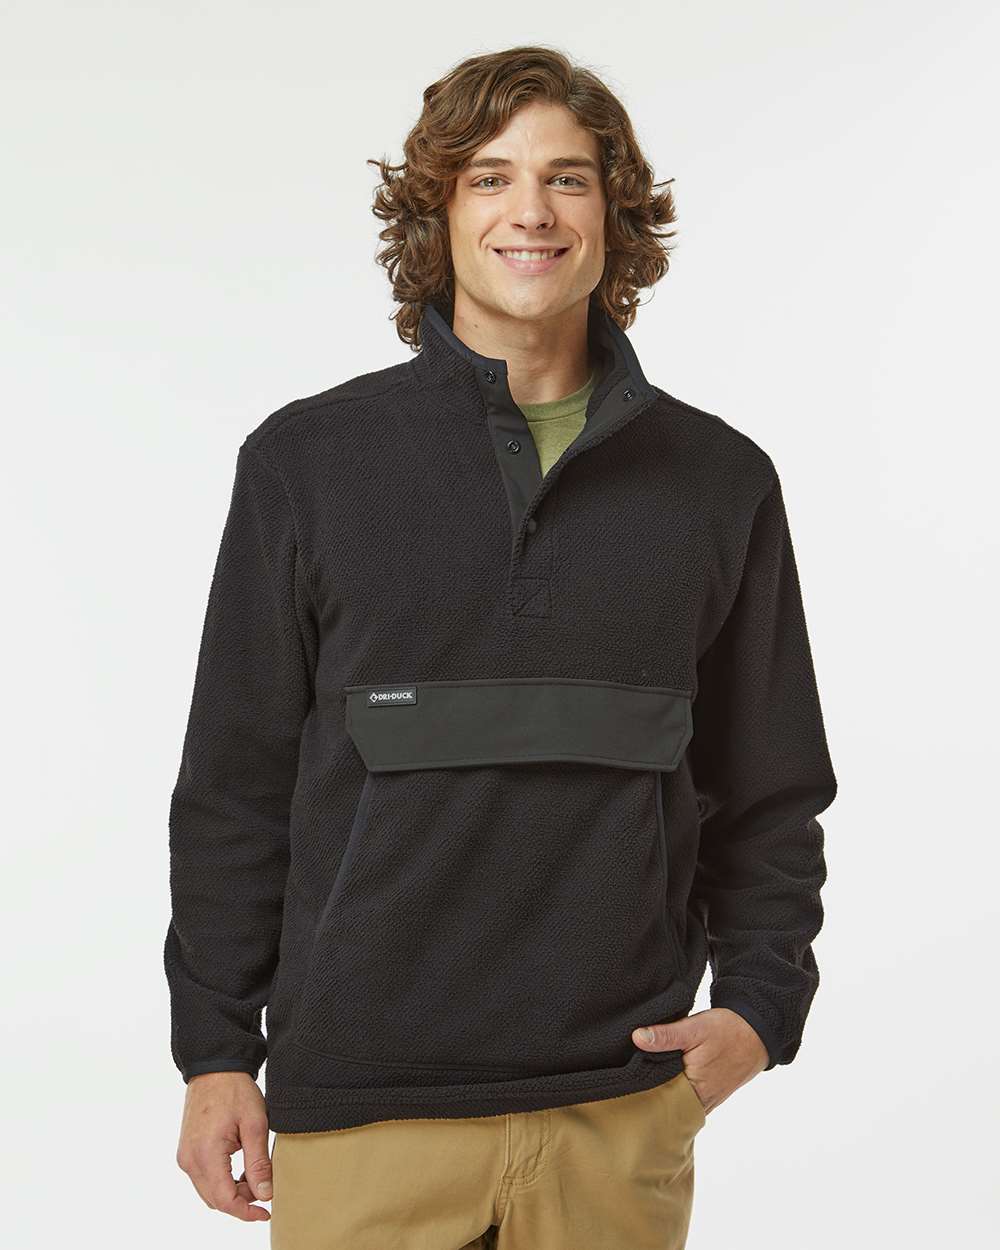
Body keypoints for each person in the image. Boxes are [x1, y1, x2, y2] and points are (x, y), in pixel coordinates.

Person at [165, 45, 838, 1250]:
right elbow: (234, 785)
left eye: (567, 178)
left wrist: (761, 1004)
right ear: (437, 213)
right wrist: (216, 1050)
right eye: (489, 178)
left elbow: (770, 782)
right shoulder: (306, 465)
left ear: (612, 216)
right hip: (364, 1114)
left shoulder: (719, 481)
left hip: (616, 1109)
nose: (531, 211)